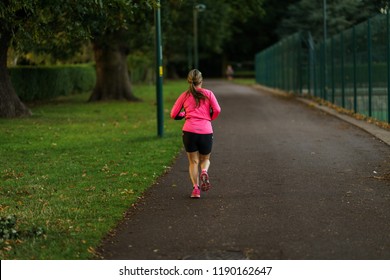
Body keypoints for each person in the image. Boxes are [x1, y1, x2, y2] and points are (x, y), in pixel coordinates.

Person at [170, 69, 221, 199]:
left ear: (189, 81)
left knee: (193, 162)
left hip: (189, 132)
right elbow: (217, 110)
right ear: (201, 80)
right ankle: (204, 171)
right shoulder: (208, 94)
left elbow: (173, 114)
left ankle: (196, 190)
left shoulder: (184, 95)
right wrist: (209, 117)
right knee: (205, 159)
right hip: (205, 130)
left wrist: (184, 114)